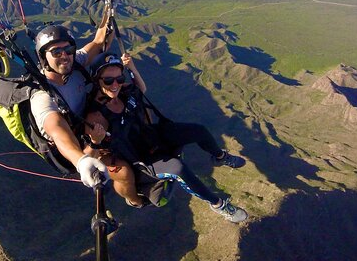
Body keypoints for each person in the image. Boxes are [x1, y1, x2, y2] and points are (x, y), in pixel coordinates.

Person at [84, 53, 248, 223]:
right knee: (177, 168)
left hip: (151, 136)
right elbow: (87, 157)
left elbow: (141, 89)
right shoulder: (96, 116)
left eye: (119, 78)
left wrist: (131, 67)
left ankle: (221, 157)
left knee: (199, 131)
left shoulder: (124, 91)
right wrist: (95, 141)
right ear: (97, 81)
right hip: (139, 158)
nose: (115, 85)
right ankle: (219, 205)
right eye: (109, 81)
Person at [29, 18, 139, 201]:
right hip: (79, 146)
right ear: (43, 57)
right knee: (125, 172)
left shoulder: (73, 63)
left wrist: (109, 7)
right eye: (56, 52)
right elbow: (55, 128)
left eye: (68, 50)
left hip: (93, 125)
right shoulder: (42, 95)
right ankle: (135, 201)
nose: (64, 55)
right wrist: (81, 161)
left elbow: (98, 42)